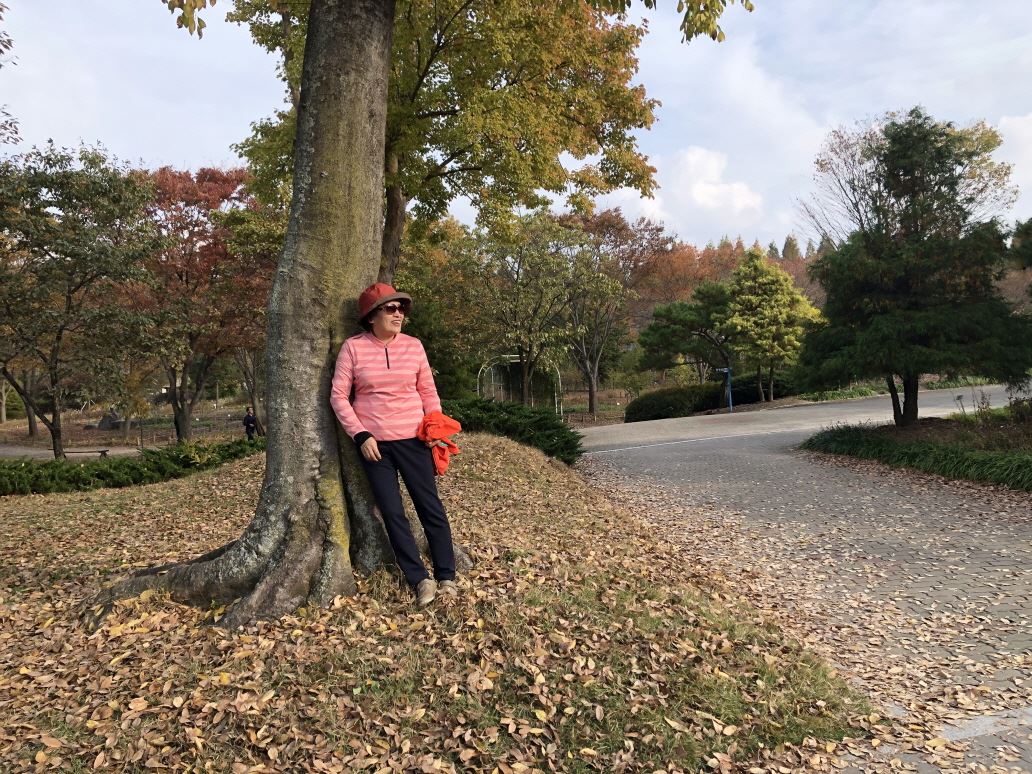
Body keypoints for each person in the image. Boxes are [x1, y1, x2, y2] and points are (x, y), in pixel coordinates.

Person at [330, 282, 457, 607]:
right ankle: (420, 579)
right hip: (376, 448)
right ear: (372, 316)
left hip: (415, 441)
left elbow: (428, 391)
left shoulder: (414, 347)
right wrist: (360, 434)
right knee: (392, 513)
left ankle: (447, 576)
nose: (398, 313)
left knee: (430, 508)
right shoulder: (353, 348)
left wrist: (434, 426)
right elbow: (339, 396)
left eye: (401, 308)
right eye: (391, 308)